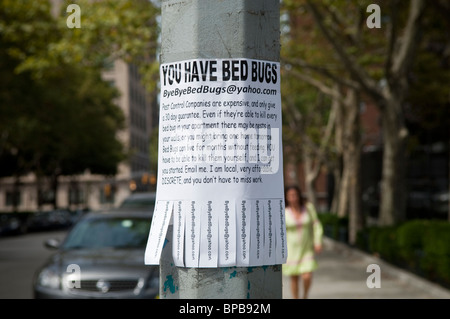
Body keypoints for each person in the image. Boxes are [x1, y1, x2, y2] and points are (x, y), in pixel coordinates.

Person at [282, 185, 323, 299]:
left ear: (299, 195)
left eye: (295, 195)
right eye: (290, 196)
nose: (293, 198)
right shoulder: (284, 212)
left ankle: (305, 296)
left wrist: (318, 241)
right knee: (294, 278)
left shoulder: (308, 208)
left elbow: (316, 225)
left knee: (307, 276)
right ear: (286, 197)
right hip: (291, 250)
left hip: (307, 248)